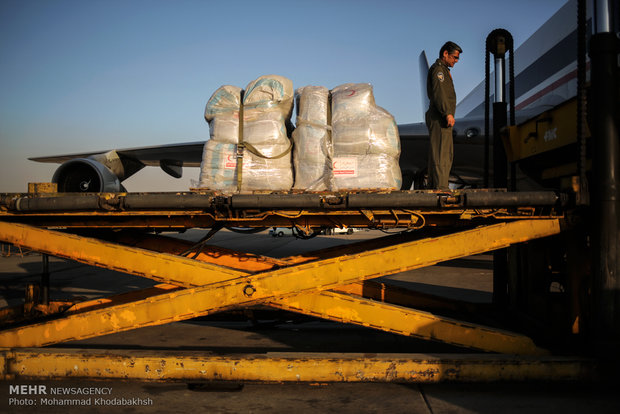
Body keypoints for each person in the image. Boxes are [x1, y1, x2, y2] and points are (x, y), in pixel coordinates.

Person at [426, 41, 462, 190]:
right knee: (442, 152)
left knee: (440, 151)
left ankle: (435, 184)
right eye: (454, 57)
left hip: (440, 116)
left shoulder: (444, 70)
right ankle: (441, 186)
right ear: (445, 53)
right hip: (440, 117)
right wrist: (447, 113)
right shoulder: (439, 70)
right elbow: (439, 93)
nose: (456, 61)